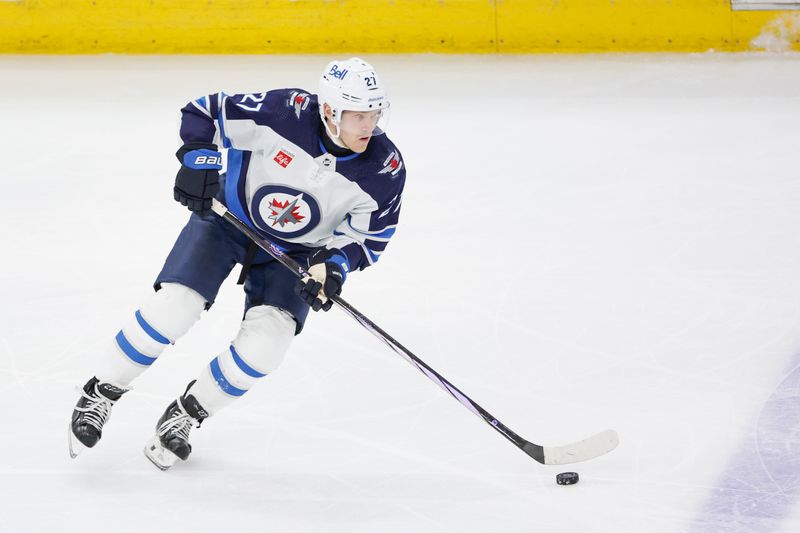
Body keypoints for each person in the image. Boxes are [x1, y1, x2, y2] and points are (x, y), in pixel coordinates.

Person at [68, 57, 406, 470]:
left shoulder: (384, 169)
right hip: (227, 221)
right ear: (330, 110)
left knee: (267, 345)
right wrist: (197, 161)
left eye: (374, 112)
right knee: (172, 309)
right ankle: (100, 392)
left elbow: (368, 239)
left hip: (294, 256)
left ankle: (187, 414)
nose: (368, 125)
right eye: (358, 114)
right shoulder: (284, 112)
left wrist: (333, 266)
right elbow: (204, 111)